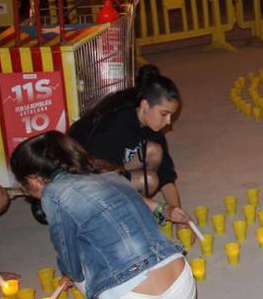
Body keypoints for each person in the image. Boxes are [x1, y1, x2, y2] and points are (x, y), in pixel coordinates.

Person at [10, 131, 210, 299]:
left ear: (34, 179)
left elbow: (66, 251)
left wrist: (69, 274)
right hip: (183, 284)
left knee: (79, 265)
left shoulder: (54, 194)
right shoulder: (111, 176)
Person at [69, 65, 182, 208]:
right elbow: (110, 178)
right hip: (87, 177)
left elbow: (165, 173)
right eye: (164, 114)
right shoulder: (113, 126)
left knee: (155, 152)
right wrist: (159, 210)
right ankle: (128, 210)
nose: (168, 122)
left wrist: (177, 212)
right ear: (145, 105)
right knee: (147, 180)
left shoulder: (150, 122)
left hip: (111, 168)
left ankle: (135, 206)